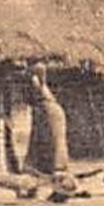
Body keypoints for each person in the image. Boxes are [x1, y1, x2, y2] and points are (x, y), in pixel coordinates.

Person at [22, 64, 74, 195]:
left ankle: (53, 185)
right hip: (51, 112)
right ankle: (57, 182)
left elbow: (31, 98)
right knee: (54, 147)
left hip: (48, 113)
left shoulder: (36, 83)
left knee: (46, 148)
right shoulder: (43, 88)